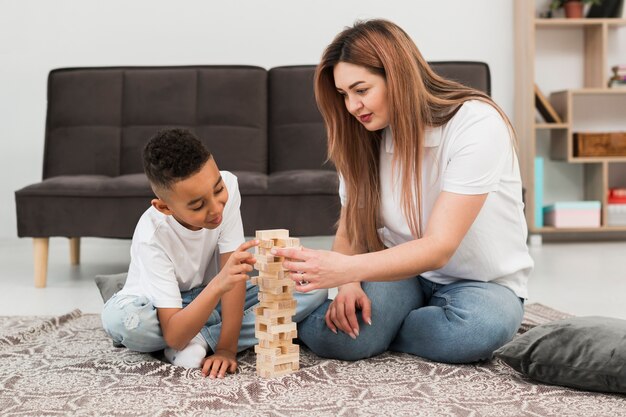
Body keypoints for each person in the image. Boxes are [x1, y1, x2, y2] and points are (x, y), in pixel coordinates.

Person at [273, 19, 534, 364]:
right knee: (345, 339)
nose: (351, 107)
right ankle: (364, 325)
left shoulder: (477, 124)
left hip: (483, 284)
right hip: (402, 275)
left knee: (474, 331)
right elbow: (351, 228)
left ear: (397, 75)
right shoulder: (365, 137)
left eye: (361, 90)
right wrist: (348, 286)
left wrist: (346, 271)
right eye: (344, 95)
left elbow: (439, 247)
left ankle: (385, 330)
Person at [101, 128, 327, 378]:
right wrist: (219, 285)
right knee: (129, 324)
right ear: (164, 207)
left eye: (218, 190)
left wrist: (226, 348)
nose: (216, 208)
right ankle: (124, 291)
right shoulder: (152, 236)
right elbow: (175, 336)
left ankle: (202, 337)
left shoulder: (229, 185)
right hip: (160, 305)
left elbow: (234, 277)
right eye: (198, 205)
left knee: (312, 285)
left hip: (211, 296)